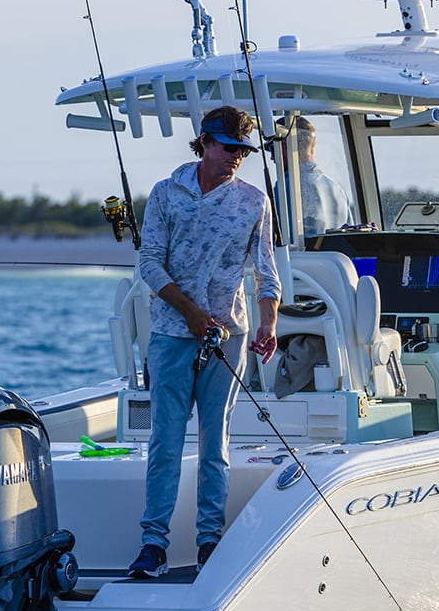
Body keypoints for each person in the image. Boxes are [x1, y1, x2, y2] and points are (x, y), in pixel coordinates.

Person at [128, 106, 282, 578]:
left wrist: (268, 323)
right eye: (229, 147)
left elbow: (267, 272)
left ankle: (209, 542)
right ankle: (153, 545)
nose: (236, 157)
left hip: (227, 337)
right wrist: (191, 313)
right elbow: (149, 263)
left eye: (243, 151)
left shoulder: (254, 201)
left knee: (216, 443)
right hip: (171, 335)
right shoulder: (166, 193)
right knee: (165, 442)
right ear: (205, 143)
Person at [275, 116, 354, 237]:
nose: (272, 157)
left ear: (284, 146)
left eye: (272, 149)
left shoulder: (285, 187)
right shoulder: (337, 190)